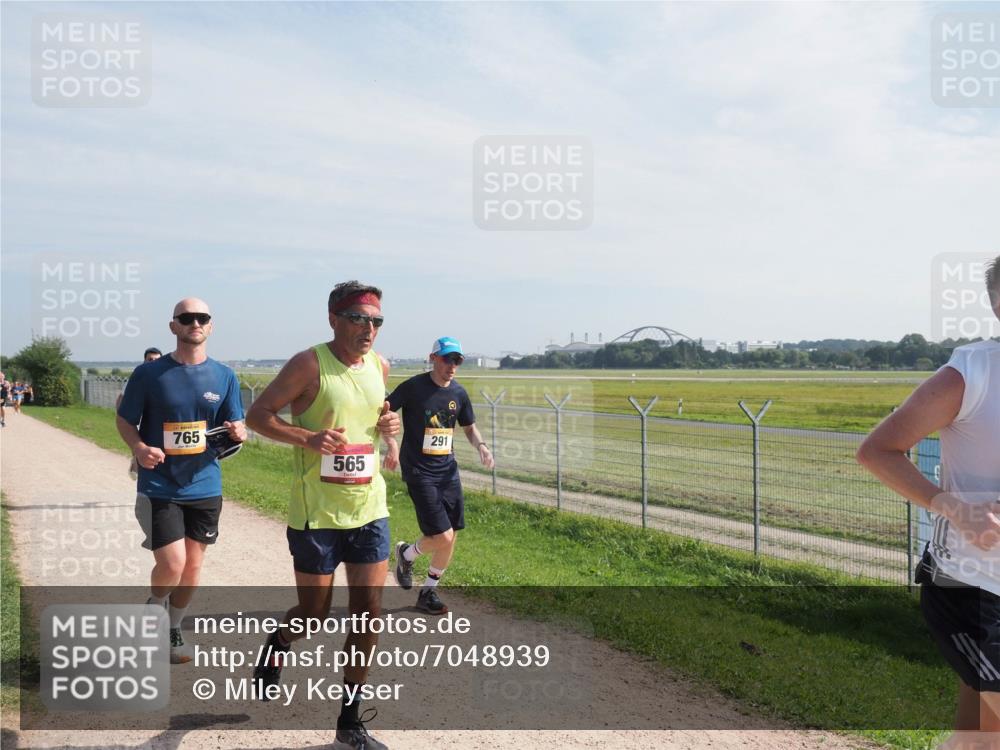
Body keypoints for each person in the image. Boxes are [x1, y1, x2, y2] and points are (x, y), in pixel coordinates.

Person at [245, 280, 400, 750]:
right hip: (318, 514)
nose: (368, 329)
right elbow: (258, 416)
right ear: (333, 318)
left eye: (376, 321)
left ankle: (349, 721)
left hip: (369, 507)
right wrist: (306, 439)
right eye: (358, 319)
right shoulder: (308, 363)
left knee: (368, 613)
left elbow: (375, 420)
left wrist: (391, 431)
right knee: (315, 615)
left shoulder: (380, 366)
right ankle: (277, 643)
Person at [857, 255, 1000, 750]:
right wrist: (955, 508)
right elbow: (877, 450)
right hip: (974, 586)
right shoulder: (971, 374)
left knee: (977, 738)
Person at [116, 299, 245, 664]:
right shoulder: (149, 374)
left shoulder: (224, 376)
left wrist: (240, 432)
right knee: (172, 564)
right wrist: (140, 447)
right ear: (174, 327)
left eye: (201, 318)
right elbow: (125, 420)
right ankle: (154, 608)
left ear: (210, 326)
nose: (195, 323)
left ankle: (173, 629)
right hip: (160, 485)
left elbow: (234, 426)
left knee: (192, 566)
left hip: (205, 484)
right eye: (186, 318)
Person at [386, 337, 493, 615]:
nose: (452, 366)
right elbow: (385, 412)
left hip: (448, 472)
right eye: (447, 359)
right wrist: (391, 444)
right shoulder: (413, 387)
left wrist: (481, 445)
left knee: (452, 534)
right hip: (419, 471)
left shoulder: (458, 393)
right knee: (442, 535)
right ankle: (407, 554)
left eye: (457, 360)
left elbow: (469, 427)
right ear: (433, 358)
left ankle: (428, 592)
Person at [117, 347, 163, 478]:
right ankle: (138, 469)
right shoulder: (137, 378)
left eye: (156, 360)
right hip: (138, 421)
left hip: (156, 424)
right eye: (150, 359)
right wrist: (122, 417)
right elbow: (121, 400)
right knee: (140, 449)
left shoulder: (165, 378)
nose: (153, 362)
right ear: (144, 361)